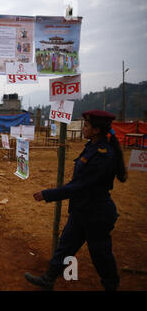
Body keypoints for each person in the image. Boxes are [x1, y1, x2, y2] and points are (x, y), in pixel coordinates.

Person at [25, 110, 128, 291]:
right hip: (81, 210)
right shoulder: (91, 147)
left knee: (100, 254)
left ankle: (111, 286)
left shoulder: (104, 155)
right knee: (65, 247)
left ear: (96, 130)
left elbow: (81, 186)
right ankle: (48, 279)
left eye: (87, 125)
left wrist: (48, 194)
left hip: (96, 214)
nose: (83, 128)